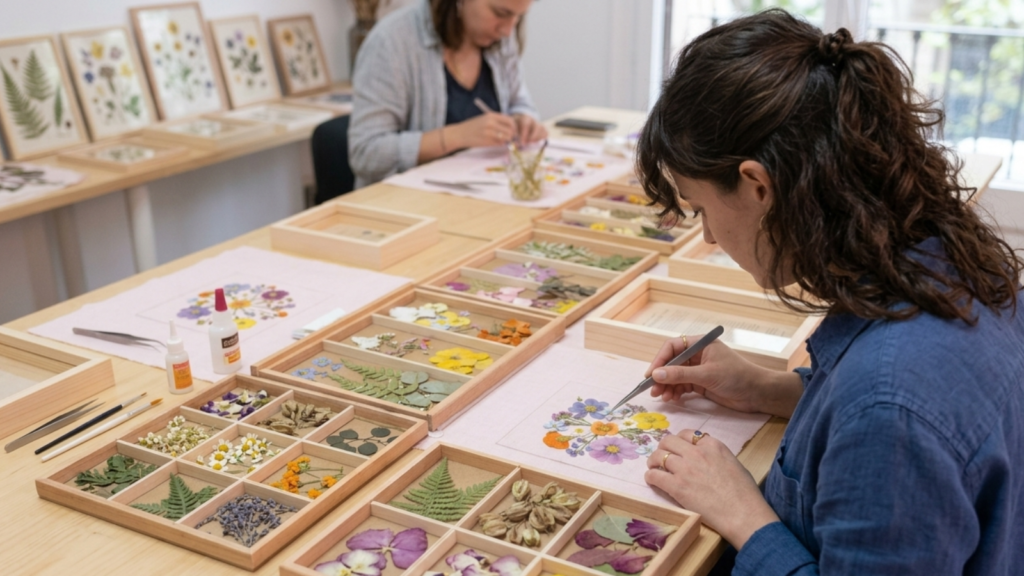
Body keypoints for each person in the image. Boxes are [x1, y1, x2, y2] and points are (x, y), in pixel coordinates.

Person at [635, 10, 1024, 575]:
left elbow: (887, 423)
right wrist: (768, 388)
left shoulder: (889, 407)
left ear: (758, 186)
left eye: (701, 209)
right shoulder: (941, 254)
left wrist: (741, 513)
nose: (710, 237)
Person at [348, 0, 548, 188]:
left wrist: (523, 119)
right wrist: (458, 135)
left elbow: (518, 101)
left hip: (482, 193)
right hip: (406, 201)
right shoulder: (391, 42)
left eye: (519, 17)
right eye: (500, 13)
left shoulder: (499, 38)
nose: (507, 30)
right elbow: (366, 153)